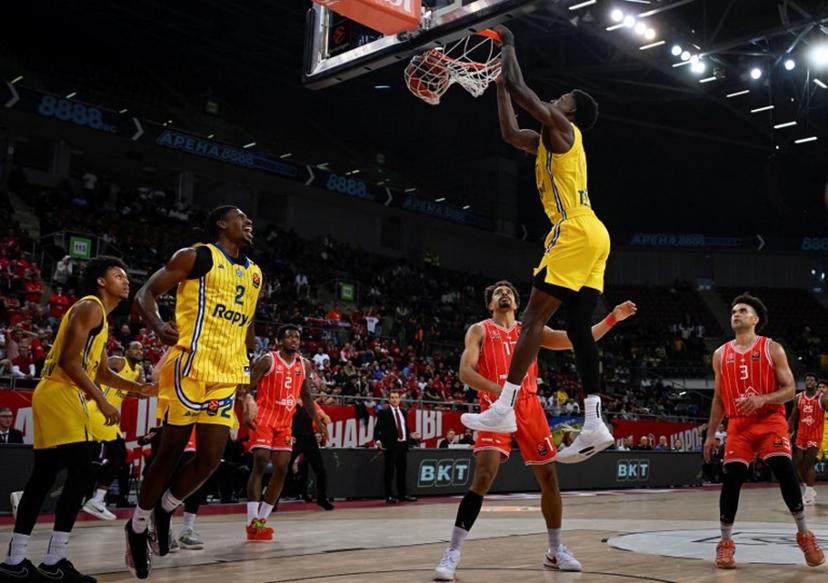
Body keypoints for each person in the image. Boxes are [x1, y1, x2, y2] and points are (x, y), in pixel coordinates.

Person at [460, 26, 613, 466]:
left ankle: (504, 406)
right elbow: (511, 133)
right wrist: (499, 88)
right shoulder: (548, 140)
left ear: (572, 110)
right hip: (594, 234)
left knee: (531, 321)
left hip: (574, 230)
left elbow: (524, 92)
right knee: (579, 328)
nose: (556, 98)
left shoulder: (564, 128)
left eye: (563, 97)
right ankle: (594, 421)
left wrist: (508, 43)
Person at [433, 281, 636, 580]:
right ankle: (452, 552)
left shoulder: (531, 329)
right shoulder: (479, 330)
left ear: (517, 304)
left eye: (509, 292)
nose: (504, 294)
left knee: (549, 478)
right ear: (490, 305)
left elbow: (575, 339)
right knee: (483, 476)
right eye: (498, 293)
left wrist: (611, 319)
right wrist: (503, 393)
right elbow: (465, 372)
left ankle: (555, 550)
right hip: (495, 405)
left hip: (529, 407)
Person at [125, 206, 261, 579]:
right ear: (221, 223)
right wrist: (157, 325)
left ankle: (166, 507)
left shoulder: (254, 273)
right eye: (241, 217)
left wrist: (246, 381)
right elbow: (146, 292)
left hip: (226, 372)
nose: (248, 222)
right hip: (189, 366)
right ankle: (137, 525)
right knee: (169, 453)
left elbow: (247, 326)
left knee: (211, 458)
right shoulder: (195, 256)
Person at [0, 256, 154, 582]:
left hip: (53, 393)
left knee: (44, 477)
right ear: (101, 281)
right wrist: (103, 402)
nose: (126, 280)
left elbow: (101, 372)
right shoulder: (90, 306)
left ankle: (15, 560)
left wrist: (138, 388)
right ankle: (54, 560)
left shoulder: (100, 317)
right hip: (61, 392)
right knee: (82, 473)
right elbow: (70, 362)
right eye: (118, 275)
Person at [703, 293, 823, 569]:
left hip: (770, 420)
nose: (736, 314)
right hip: (739, 425)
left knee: (784, 468)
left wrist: (763, 399)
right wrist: (710, 434)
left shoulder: (772, 348)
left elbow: (790, 390)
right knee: (732, 476)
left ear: (755, 319)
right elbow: (719, 398)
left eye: (743, 310)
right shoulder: (720, 354)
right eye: (734, 311)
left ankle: (804, 534)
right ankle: (725, 543)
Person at [243, 325, 329, 541]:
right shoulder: (268, 360)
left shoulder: (304, 364)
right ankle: (251, 520)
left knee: (281, 469)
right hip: (264, 418)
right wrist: (247, 404)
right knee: (260, 461)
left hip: (284, 423)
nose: (294, 340)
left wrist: (317, 420)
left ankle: (261, 521)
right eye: (289, 336)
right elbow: (246, 386)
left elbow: (306, 396)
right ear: (280, 341)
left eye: (297, 337)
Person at [82, 341, 149, 521]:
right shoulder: (119, 361)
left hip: (108, 416)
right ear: (127, 351)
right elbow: (94, 369)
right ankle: (96, 499)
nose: (139, 351)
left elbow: (143, 392)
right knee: (118, 454)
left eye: (141, 349)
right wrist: (99, 394)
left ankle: (97, 499)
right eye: (135, 348)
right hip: (97, 409)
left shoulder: (137, 371)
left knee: (96, 456)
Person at [788, 373, 827, 506]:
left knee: (808, 463)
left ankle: (809, 495)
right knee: (798, 464)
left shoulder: (823, 398)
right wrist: (788, 428)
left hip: (815, 435)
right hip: (801, 434)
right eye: (807, 380)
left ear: (816, 383)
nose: (809, 382)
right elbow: (793, 416)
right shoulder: (798, 397)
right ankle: (809, 488)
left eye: (812, 380)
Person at [374, 391, 419, 504]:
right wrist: (378, 441)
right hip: (390, 446)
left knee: (402, 471)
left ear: (399, 399)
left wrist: (410, 436)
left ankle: (402, 494)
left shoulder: (403, 412)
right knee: (389, 472)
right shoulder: (383, 412)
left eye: (396, 397)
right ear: (389, 400)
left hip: (402, 445)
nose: (394, 399)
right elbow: (377, 429)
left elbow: (403, 427)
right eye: (392, 397)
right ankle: (389, 495)